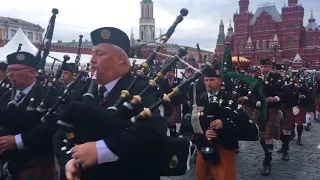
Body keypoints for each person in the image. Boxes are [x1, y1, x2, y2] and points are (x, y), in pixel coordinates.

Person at [53, 27, 167, 180]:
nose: (92, 60)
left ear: (120, 58)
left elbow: (153, 130)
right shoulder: (81, 90)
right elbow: (61, 131)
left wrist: (100, 150)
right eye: (92, 53)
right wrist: (69, 161)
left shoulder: (141, 88)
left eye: (99, 54)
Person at [193, 63, 258, 180]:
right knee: (202, 177)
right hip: (203, 145)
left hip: (224, 146)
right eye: (206, 80)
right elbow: (193, 122)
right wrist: (204, 133)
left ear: (219, 81)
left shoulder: (230, 99)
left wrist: (225, 123)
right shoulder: (198, 99)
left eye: (212, 80)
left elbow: (242, 120)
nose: (208, 83)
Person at [0, 51, 58, 179]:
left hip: (34, 160)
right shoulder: (5, 95)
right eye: (9, 70)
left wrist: (17, 141)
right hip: (6, 159)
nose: (9, 74)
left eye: (15, 70)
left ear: (31, 72)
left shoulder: (48, 96)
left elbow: (51, 128)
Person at [255, 58, 283, 176]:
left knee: (267, 136)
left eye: (266, 66)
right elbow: (251, 93)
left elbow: (283, 91)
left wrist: (275, 98)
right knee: (262, 137)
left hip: (272, 109)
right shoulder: (256, 79)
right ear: (259, 67)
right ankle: (268, 153)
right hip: (260, 111)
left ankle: (267, 162)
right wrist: (256, 101)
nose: (264, 69)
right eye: (262, 67)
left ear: (270, 67)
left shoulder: (276, 78)